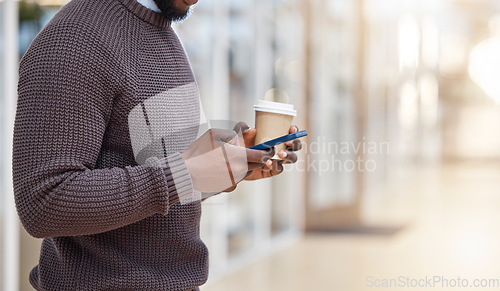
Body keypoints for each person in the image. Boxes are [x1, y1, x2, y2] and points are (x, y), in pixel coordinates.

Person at [12, 0, 302, 290]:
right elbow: (44, 202)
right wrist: (186, 174)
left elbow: (160, 174)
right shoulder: (72, 40)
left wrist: (223, 166)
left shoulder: (164, 35)